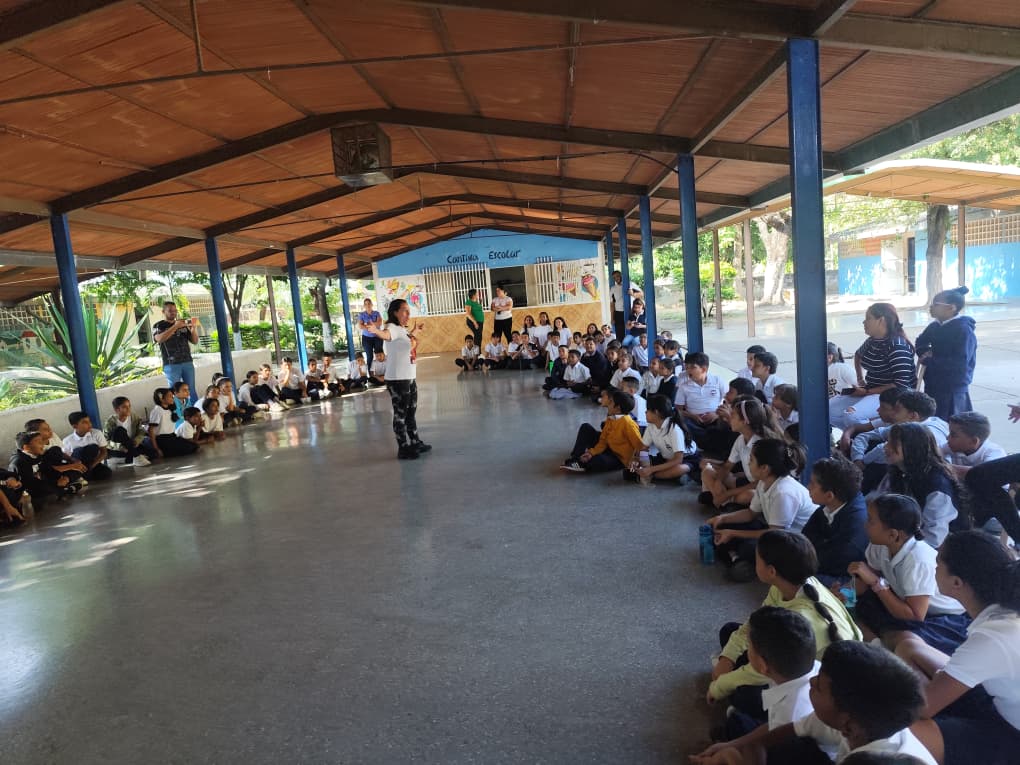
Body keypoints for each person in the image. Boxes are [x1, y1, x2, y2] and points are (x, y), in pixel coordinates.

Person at [893, 531, 1020, 765]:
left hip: (1012, 735)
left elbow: (924, 708)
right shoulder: (1004, 612)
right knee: (909, 645)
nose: (933, 566)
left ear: (956, 583)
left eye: (938, 562)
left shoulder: (993, 636)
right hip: (999, 701)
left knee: (898, 732)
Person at [709, 531, 859, 712]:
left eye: (757, 560)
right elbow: (756, 623)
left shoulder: (801, 619)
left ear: (771, 571)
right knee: (730, 631)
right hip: (785, 656)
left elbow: (767, 669)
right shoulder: (788, 585)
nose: (754, 563)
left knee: (745, 695)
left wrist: (720, 685)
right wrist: (727, 658)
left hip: (818, 686)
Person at [847, 494, 969, 653]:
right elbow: (865, 580)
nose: (865, 525)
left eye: (871, 521)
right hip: (903, 601)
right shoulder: (879, 544)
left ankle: (880, 650)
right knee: (858, 605)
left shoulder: (918, 559)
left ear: (893, 535)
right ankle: (877, 644)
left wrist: (876, 582)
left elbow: (915, 616)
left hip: (941, 617)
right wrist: (844, 593)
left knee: (907, 640)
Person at [715, 607, 822, 754]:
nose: (747, 648)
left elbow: (772, 734)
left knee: (737, 723)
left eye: (749, 646)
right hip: (781, 704)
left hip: (788, 744)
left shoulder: (788, 714)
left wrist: (732, 746)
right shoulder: (805, 667)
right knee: (730, 629)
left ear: (763, 666)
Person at [709, 439, 814, 582]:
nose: (748, 464)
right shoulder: (764, 482)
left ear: (764, 468)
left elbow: (775, 535)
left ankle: (741, 561)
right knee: (721, 527)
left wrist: (733, 533)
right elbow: (751, 513)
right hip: (775, 531)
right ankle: (737, 560)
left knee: (747, 547)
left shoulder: (784, 492)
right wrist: (723, 518)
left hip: (795, 544)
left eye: (751, 460)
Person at [878, 423, 967, 548]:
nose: (886, 447)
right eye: (887, 442)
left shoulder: (937, 485)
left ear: (912, 447)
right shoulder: (899, 471)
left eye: (893, 444)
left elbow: (934, 538)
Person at [830, 303, 917, 430]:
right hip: (871, 390)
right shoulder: (872, 340)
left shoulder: (897, 346)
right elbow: (858, 355)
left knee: (851, 415)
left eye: (868, 318)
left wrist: (867, 392)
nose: (864, 322)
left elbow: (901, 384)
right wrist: (860, 379)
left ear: (881, 320)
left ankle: (864, 435)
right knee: (827, 409)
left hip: (893, 396)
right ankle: (854, 434)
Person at [700, 396, 784, 511]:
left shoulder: (761, 444)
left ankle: (721, 499)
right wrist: (719, 481)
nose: (730, 418)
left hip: (761, 487)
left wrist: (728, 493)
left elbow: (760, 482)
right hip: (748, 482)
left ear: (744, 421)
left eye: (733, 415)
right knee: (707, 471)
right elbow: (727, 466)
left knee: (749, 495)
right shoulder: (741, 439)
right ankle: (726, 503)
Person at [372, 298, 429, 460]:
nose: (408, 314)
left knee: (411, 412)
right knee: (401, 414)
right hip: (398, 379)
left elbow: (405, 342)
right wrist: (376, 331)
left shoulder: (402, 329)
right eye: (405, 310)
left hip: (409, 376)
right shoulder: (391, 327)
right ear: (395, 312)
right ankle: (403, 448)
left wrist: (415, 331)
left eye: (409, 311)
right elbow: (387, 335)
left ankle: (415, 442)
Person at [802, 457, 868, 586]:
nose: (808, 487)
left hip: (844, 579)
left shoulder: (855, 526)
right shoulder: (830, 506)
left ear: (829, 495)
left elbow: (831, 564)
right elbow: (805, 538)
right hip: (823, 565)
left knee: (794, 576)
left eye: (812, 484)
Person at [915, 287, 975, 420]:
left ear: (951, 308)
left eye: (936, 304)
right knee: (933, 420)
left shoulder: (963, 330)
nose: (931, 307)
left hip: (952, 388)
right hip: (933, 383)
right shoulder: (935, 326)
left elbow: (960, 362)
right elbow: (921, 341)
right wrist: (923, 353)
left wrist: (930, 361)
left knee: (952, 422)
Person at [560, 391, 643, 473]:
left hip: (619, 458)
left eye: (611, 402)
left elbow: (640, 446)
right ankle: (576, 458)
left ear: (618, 408)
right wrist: (591, 453)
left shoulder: (628, 424)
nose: (608, 404)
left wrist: (636, 461)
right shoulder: (611, 417)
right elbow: (603, 440)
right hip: (609, 448)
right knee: (586, 427)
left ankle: (582, 463)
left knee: (599, 461)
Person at [624, 394, 693, 484]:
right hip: (665, 458)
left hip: (685, 459)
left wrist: (651, 470)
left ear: (656, 412)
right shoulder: (651, 426)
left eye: (647, 410)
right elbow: (644, 448)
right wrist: (640, 461)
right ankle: (667, 477)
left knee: (680, 469)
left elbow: (678, 460)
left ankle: (653, 476)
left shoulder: (674, 430)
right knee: (628, 472)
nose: (645, 412)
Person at [152, 301, 200, 403]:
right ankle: (177, 411)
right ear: (163, 311)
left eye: (175, 310)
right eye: (170, 310)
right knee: (174, 391)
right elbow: (159, 339)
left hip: (187, 361)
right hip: (171, 364)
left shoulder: (182, 324)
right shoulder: (159, 325)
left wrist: (193, 329)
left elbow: (195, 341)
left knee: (190, 389)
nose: (173, 313)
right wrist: (175, 326)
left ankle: (194, 409)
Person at [10, 431, 75, 504]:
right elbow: (30, 484)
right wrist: (55, 483)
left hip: (43, 482)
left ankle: (63, 488)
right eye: (39, 442)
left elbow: (47, 468)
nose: (43, 445)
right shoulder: (19, 462)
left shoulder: (37, 454)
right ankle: (64, 490)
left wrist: (62, 478)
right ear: (26, 447)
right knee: (49, 492)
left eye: (42, 441)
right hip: (29, 491)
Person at [676, 352, 726, 443]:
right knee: (681, 422)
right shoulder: (683, 387)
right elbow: (678, 410)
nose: (688, 370)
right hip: (693, 422)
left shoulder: (717, 381)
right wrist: (693, 416)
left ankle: (704, 440)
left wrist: (717, 414)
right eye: (687, 367)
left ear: (703, 369)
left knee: (726, 422)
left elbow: (730, 402)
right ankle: (709, 439)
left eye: (693, 367)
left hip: (715, 419)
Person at [104, 396, 157, 466]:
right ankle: (136, 457)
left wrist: (137, 441)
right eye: (124, 407)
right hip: (119, 449)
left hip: (131, 446)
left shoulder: (134, 417)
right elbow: (105, 442)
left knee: (153, 454)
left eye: (129, 406)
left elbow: (141, 431)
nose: (128, 409)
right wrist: (120, 447)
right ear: (117, 410)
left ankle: (123, 460)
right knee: (120, 430)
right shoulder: (110, 422)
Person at [148, 388, 199, 458]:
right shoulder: (157, 411)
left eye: (172, 396)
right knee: (188, 448)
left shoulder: (170, 409)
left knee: (194, 446)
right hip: (162, 440)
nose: (172, 398)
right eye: (170, 396)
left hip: (172, 437)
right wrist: (156, 448)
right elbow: (151, 430)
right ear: (161, 399)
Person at [61, 412, 112, 481]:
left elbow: (104, 452)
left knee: (106, 473)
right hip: (78, 466)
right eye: (85, 422)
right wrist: (78, 465)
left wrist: (92, 466)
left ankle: (84, 476)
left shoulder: (97, 433)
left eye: (89, 421)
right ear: (75, 426)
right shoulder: (67, 440)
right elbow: (67, 459)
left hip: (93, 463)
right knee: (90, 448)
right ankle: (82, 475)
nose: (89, 424)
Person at [357, 298, 383, 363]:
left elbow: (379, 323)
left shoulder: (376, 313)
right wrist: (373, 325)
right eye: (365, 304)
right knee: (369, 356)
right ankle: (370, 369)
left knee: (379, 355)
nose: (367, 305)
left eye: (369, 303)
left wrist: (367, 324)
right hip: (366, 339)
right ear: (364, 306)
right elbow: (360, 326)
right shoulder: (361, 315)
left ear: (372, 304)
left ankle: (382, 368)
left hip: (377, 337)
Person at [609, 270, 625, 340]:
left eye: (618, 276)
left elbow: (641, 294)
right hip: (618, 313)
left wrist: (633, 293)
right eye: (614, 277)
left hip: (629, 311)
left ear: (621, 275)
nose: (616, 278)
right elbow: (612, 304)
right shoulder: (613, 289)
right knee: (619, 333)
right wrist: (612, 318)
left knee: (629, 331)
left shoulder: (629, 284)